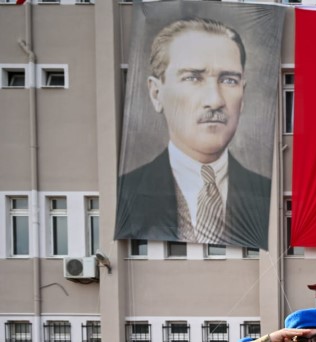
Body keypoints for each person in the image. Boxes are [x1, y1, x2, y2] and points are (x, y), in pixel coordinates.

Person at [115, 17, 271, 250]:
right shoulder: (126, 193)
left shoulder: (268, 195)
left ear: (243, 94)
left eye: (229, 80)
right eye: (193, 78)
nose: (215, 100)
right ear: (156, 93)